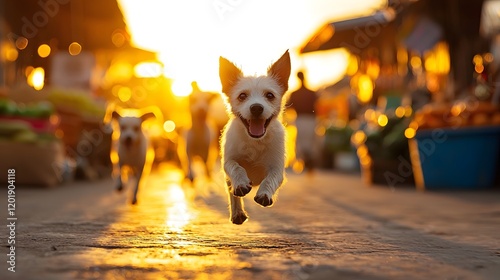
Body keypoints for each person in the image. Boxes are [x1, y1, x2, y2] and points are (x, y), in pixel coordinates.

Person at [287, 71, 319, 172]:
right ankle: (309, 162)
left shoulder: (295, 93)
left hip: (300, 118)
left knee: (301, 141)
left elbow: (289, 106)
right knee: (309, 141)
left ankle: (305, 162)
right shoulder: (312, 92)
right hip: (311, 119)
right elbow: (317, 104)